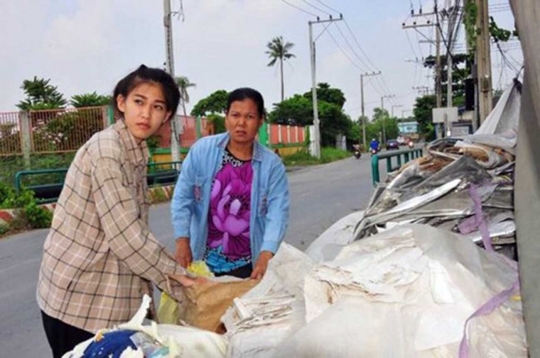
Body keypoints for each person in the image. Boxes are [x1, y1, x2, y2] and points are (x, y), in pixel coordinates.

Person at [37, 65, 199, 358]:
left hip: (107, 297)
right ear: (121, 103)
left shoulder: (134, 151)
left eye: (157, 106)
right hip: (80, 303)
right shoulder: (108, 150)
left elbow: (132, 235)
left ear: (167, 117)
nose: (146, 114)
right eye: (139, 102)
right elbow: (127, 237)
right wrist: (183, 280)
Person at [171, 88, 290, 280]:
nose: (241, 123)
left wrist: (266, 253)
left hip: (250, 265)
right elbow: (182, 198)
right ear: (226, 117)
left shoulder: (271, 165)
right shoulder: (202, 151)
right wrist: (182, 240)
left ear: (260, 121)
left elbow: (277, 213)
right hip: (203, 262)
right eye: (235, 115)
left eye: (250, 116)